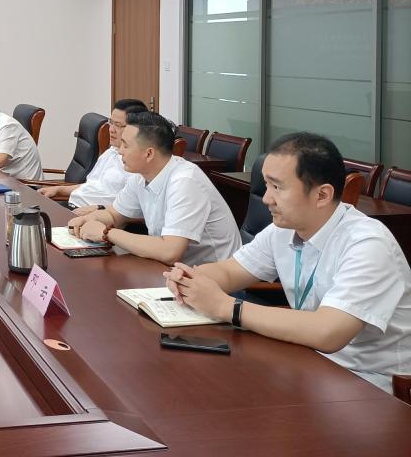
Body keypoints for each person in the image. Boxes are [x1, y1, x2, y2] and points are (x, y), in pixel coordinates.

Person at [164, 132, 411, 390]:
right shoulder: (282, 229)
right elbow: (230, 271)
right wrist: (192, 279)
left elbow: (328, 332)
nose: (266, 198)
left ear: (322, 195)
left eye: (277, 187)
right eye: (266, 185)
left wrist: (226, 307)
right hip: (308, 360)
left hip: (370, 382)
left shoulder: (368, 244)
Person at [69, 111, 241, 266]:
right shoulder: (140, 176)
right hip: (172, 272)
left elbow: (170, 251)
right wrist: (89, 219)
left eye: (126, 145)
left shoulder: (185, 182)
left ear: (149, 153)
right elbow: (115, 214)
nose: (120, 151)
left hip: (213, 280)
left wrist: (106, 233)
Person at [40, 98, 147, 208]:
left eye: (118, 125)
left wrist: (97, 210)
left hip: (93, 213)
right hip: (74, 204)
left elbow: (131, 208)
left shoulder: (137, 165)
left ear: (135, 128)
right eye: (111, 122)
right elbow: (90, 186)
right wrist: (59, 189)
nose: (111, 129)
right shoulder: (111, 152)